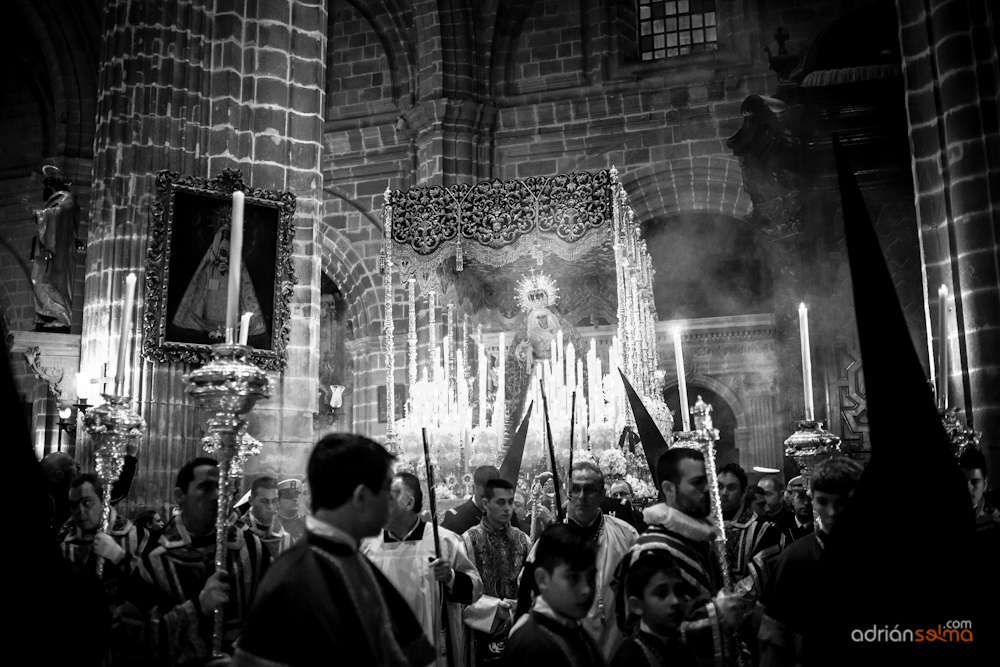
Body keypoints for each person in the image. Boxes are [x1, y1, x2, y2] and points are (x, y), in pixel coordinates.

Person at [231, 434, 435, 667]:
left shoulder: (347, 557)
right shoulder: (296, 575)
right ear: (360, 497)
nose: (391, 501)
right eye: (387, 489)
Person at [117, 457, 271, 665]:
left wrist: (241, 659)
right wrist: (198, 607)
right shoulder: (156, 559)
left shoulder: (251, 548)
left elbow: (275, 619)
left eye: (222, 486)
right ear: (180, 496)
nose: (218, 495)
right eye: (206, 487)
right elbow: (131, 639)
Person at [617, 447, 745, 667]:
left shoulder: (698, 539)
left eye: (707, 480)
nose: (708, 489)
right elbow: (637, 628)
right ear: (669, 489)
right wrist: (717, 614)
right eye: (697, 483)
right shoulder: (650, 550)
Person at [519, 461, 638, 659]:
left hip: (618, 649)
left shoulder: (626, 535)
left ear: (602, 494)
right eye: (576, 489)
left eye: (590, 490)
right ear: (568, 493)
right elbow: (528, 596)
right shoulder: (549, 543)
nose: (582, 497)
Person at [363, 471, 483, 666]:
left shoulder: (444, 541)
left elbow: (476, 588)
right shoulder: (368, 544)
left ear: (409, 503)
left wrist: (450, 577)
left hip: (434, 648)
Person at [757, 457, 863, 667]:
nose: (832, 513)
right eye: (823, 501)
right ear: (812, 500)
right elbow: (775, 643)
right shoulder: (795, 557)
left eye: (842, 502)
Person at [500, 524, 604, 667]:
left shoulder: (573, 627)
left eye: (591, 576)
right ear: (542, 579)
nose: (586, 589)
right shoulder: (532, 645)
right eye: (573, 577)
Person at [463, 478, 532, 665]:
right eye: (501, 502)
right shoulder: (469, 541)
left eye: (510, 502)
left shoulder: (523, 540)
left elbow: (532, 588)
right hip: (481, 630)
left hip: (517, 628)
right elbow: (462, 594)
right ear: (486, 504)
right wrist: (494, 609)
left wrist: (520, 606)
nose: (508, 508)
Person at [172, 210, 266, 342]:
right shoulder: (216, 243)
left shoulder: (233, 248)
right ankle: (211, 326)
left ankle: (228, 326)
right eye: (224, 231)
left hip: (229, 280)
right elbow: (212, 258)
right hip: (215, 278)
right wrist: (216, 263)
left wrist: (230, 265)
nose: (226, 235)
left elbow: (237, 264)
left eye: (228, 232)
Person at [59, 473, 146, 610]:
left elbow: (150, 590)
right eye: (74, 505)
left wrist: (118, 556)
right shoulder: (64, 542)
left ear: (104, 500)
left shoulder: (137, 536)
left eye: (87, 503)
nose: (80, 511)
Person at [609, 552, 698, 667]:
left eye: (679, 591)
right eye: (662, 594)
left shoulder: (684, 650)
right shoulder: (630, 659)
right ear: (637, 606)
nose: (675, 601)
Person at [31, 164, 80, 331]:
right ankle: (44, 315)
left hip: (60, 253)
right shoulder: (53, 201)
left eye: (47, 186)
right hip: (46, 251)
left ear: (53, 186)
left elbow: (60, 213)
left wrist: (40, 214)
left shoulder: (67, 198)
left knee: (54, 282)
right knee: (38, 279)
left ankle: (58, 316)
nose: (44, 190)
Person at [240, 476, 293, 559]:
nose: (270, 507)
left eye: (274, 501)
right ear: (251, 501)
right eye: (264, 501)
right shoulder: (239, 532)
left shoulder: (287, 540)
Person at [958, 448, 999, 549]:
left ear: (985, 485)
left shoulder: (993, 521)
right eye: (963, 481)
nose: (968, 487)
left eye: (974, 481)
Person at [443, 465, 501, 535]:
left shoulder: (505, 515)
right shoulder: (455, 519)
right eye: (483, 497)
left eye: (491, 496)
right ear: (474, 488)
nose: (487, 502)